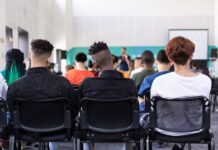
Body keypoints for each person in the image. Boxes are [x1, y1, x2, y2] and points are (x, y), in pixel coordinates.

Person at [151, 37, 211, 150]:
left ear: (170, 58)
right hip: (196, 130)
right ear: (191, 56)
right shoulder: (205, 80)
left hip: (165, 130)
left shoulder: (158, 81)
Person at [80, 42, 137, 150]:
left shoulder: (87, 84)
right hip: (124, 130)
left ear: (95, 65)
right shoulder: (129, 84)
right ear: (112, 58)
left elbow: (80, 108)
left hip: (93, 131)